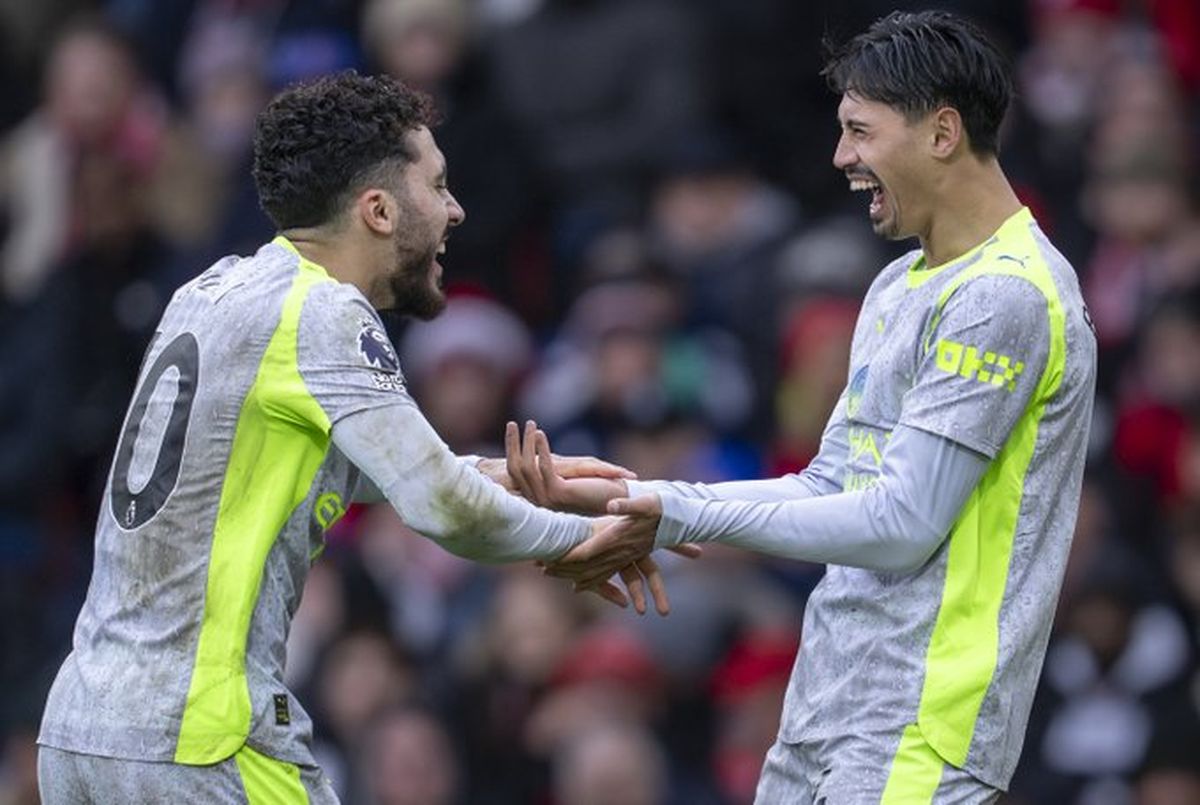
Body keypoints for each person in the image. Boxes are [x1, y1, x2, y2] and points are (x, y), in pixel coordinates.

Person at [35, 72, 672, 803]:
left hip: (82, 728)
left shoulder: (211, 290)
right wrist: (572, 543)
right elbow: (444, 506)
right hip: (199, 735)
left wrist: (523, 478)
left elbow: (343, 467)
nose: (456, 209)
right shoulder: (324, 312)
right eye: (437, 185)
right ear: (377, 210)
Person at [509, 11, 1097, 803]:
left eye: (859, 130)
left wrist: (678, 511)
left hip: (923, 731)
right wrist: (639, 497)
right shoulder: (900, 283)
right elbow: (829, 487)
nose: (841, 157)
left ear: (943, 132)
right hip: (825, 712)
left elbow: (901, 523)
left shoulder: (1007, 295)